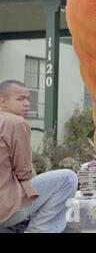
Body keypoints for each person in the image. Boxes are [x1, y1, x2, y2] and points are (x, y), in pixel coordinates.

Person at [0, 80, 78, 233]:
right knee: (67, 178)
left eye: (28, 99)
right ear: (3, 101)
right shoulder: (15, 122)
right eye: (20, 99)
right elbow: (24, 172)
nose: (27, 103)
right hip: (6, 210)